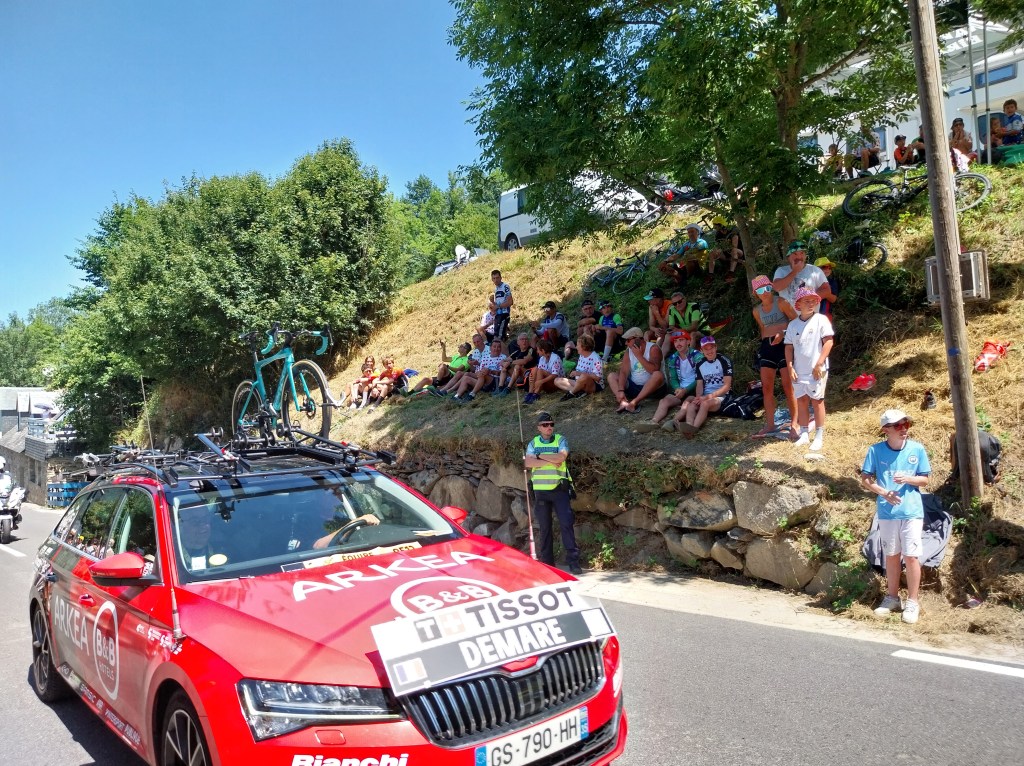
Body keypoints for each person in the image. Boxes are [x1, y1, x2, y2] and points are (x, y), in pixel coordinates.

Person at [860, 409, 931, 624]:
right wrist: (883, 492)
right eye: (898, 426)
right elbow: (865, 478)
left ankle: (912, 602)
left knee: (911, 556)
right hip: (887, 511)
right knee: (891, 555)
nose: (904, 429)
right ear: (886, 430)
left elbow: (925, 480)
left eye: (906, 424)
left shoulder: (917, 449)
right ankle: (892, 598)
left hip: (911, 511)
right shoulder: (875, 450)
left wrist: (909, 478)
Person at [524, 412, 582, 575]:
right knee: (545, 528)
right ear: (538, 427)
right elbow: (528, 462)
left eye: (551, 424)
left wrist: (539, 456)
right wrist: (550, 459)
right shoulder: (533, 442)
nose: (549, 427)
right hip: (541, 492)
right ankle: (547, 563)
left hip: (559, 490)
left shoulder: (560, 439)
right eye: (545, 425)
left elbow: (561, 458)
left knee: (566, 524)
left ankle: (573, 562)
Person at [784, 288, 834, 452]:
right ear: (798, 304)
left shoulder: (821, 319)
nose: (811, 303)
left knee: (817, 401)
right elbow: (789, 348)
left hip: (816, 370)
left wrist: (819, 364)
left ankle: (819, 436)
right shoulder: (792, 325)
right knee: (802, 401)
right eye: (807, 301)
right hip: (799, 370)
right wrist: (790, 366)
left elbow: (828, 342)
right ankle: (804, 433)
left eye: (813, 300)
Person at [750, 276, 797, 439]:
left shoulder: (781, 302)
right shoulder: (757, 311)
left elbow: (796, 321)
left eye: (767, 288)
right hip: (767, 348)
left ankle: (795, 423)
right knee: (767, 387)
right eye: (760, 290)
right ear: (756, 293)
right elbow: (763, 329)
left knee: (788, 385)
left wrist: (783, 334)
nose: (765, 293)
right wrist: (764, 346)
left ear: (771, 288)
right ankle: (770, 424)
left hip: (784, 345)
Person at [636, 331, 702, 433]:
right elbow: (673, 379)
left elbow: (700, 378)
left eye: (681, 340)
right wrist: (677, 388)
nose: (678, 343)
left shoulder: (697, 356)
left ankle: (673, 421)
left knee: (687, 403)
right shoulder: (672, 358)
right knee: (664, 401)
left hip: (694, 390)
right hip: (679, 390)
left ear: (688, 341)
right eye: (675, 341)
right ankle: (654, 421)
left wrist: (686, 390)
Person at [673, 336, 733, 437]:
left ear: (716, 348)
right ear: (701, 350)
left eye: (711, 348)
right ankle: (688, 426)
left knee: (704, 404)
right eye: (706, 349)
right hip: (706, 395)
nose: (709, 351)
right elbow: (699, 385)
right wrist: (698, 397)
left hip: (722, 396)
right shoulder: (700, 364)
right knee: (692, 404)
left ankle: (693, 430)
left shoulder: (724, 361)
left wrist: (706, 397)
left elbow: (727, 386)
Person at [608, 327, 666, 414]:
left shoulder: (653, 348)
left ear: (637, 339)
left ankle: (634, 403)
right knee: (611, 376)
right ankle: (623, 402)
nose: (626, 343)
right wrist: (620, 390)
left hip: (654, 389)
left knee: (658, 374)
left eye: (628, 340)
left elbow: (654, 370)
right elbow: (623, 371)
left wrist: (639, 356)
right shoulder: (629, 351)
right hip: (635, 387)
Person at [771, 240, 829, 309]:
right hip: (787, 318)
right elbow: (777, 287)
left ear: (805, 256)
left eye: (802, 253)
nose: (799, 257)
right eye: (795, 254)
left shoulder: (814, 270)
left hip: (810, 317)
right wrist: (795, 271)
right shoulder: (781, 271)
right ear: (788, 257)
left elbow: (827, 290)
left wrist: (809, 300)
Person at [553, 334, 604, 399]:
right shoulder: (582, 356)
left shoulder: (596, 358)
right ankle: (579, 392)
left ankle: (571, 393)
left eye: (577, 345)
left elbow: (598, 378)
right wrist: (574, 373)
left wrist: (579, 373)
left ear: (584, 347)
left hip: (593, 385)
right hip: (579, 383)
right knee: (556, 380)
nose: (576, 347)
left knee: (584, 376)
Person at [524, 339, 563, 404]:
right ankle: (530, 393)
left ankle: (536, 394)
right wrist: (532, 377)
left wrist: (541, 381)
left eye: (538, 350)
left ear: (543, 350)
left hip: (557, 384)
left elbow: (555, 375)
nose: (537, 352)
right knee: (535, 369)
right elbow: (537, 371)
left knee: (540, 371)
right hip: (547, 382)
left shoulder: (555, 358)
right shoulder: (542, 358)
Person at [707, 216, 744, 283]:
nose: (714, 227)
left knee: (734, 250)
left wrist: (722, 248)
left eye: (715, 225)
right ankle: (711, 274)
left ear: (721, 225)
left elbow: (734, 246)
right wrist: (717, 250)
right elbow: (718, 245)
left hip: (739, 252)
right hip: (726, 254)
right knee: (712, 253)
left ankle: (731, 272)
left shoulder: (733, 230)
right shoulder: (718, 234)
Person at [491, 270, 514, 342]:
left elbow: (510, 302)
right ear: (492, 279)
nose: (496, 280)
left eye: (497, 278)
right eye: (494, 278)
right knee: (496, 336)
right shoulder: (496, 289)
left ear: (501, 278)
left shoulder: (505, 286)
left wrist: (497, 306)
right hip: (498, 315)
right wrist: (492, 302)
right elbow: (497, 305)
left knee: (499, 337)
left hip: (504, 314)